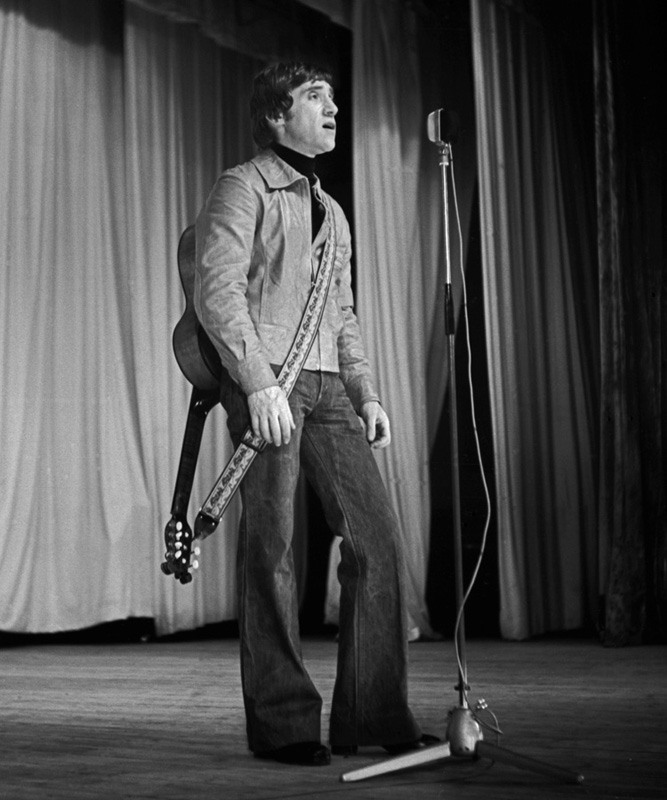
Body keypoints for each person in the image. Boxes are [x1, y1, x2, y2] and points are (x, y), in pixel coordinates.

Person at [194, 61, 436, 767]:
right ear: (277, 115)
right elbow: (217, 292)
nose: (332, 107)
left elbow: (342, 314)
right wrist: (256, 382)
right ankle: (284, 725)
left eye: (332, 96)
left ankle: (372, 714)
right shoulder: (242, 186)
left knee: (377, 543)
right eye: (314, 97)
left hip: (331, 390)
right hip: (269, 385)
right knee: (271, 551)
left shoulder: (332, 210)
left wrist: (366, 393)